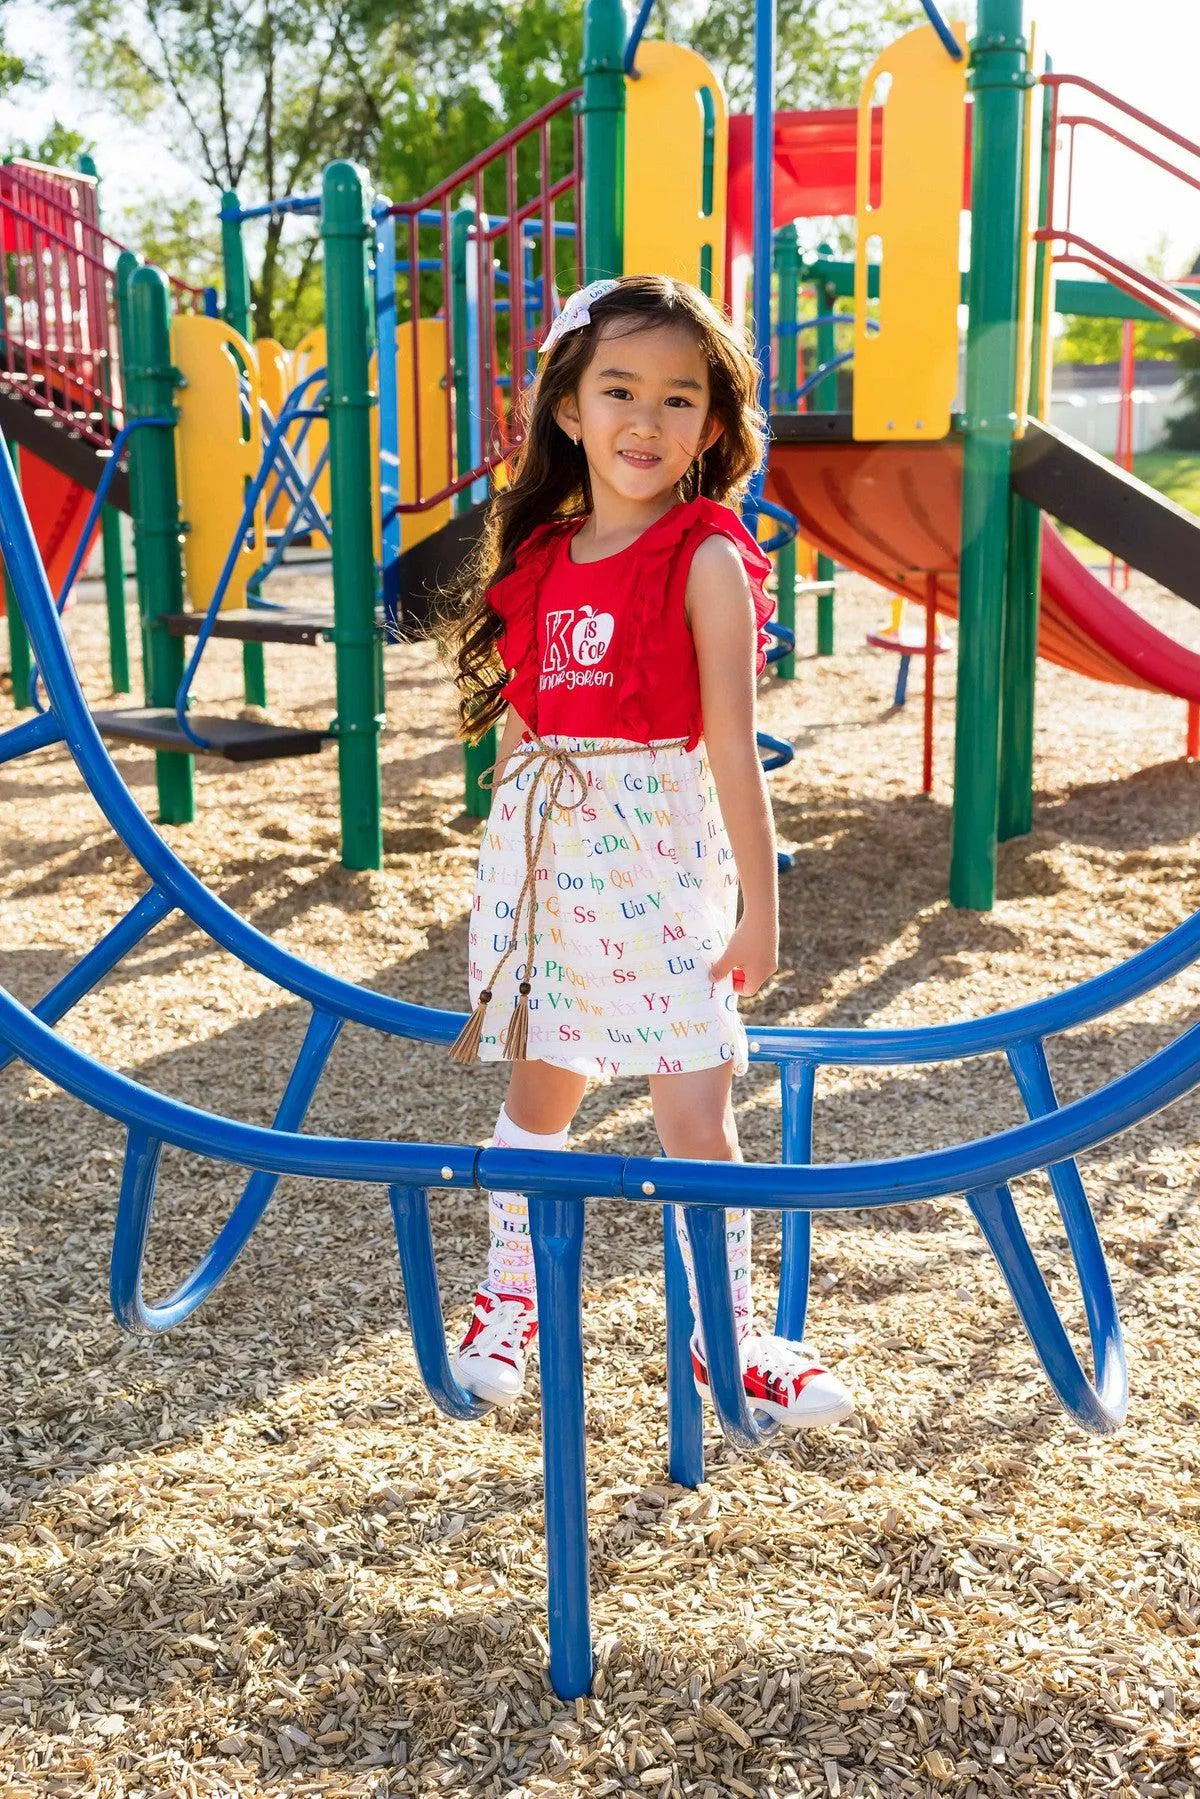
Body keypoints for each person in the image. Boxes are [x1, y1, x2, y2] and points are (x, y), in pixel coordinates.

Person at [441, 273, 853, 1431]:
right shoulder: (538, 560)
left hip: (659, 857)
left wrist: (756, 905)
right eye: (617, 388)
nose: (645, 418)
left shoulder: (704, 555)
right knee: (542, 1089)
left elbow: (732, 749)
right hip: (546, 858)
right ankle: (509, 1295)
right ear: (567, 407)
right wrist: (503, 877)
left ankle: (727, 1337)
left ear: (711, 428)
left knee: (696, 1113)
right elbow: (524, 728)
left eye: (679, 399)